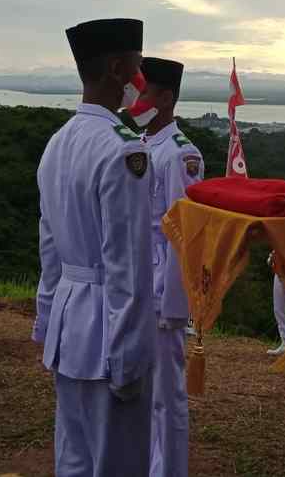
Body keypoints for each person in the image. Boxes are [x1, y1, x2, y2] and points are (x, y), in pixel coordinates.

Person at [33, 18, 156, 476]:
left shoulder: (58, 142)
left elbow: (49, 248)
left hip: (70, 328)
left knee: (74, 459)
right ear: (117, 68)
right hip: (107, 332)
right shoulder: (124, 151)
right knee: (118, 462)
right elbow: (128, 266)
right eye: (137, 67)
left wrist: (47, 321)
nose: (140, 79)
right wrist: (129, 357)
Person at [129, 56, 203, 477]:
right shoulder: (141, 144)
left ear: (166, 98)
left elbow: (183, 233)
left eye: (144, 93)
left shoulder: (180, 155)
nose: (135, 101)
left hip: (161, 287)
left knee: (167, 395)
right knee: (142, 390)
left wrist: (175, 306)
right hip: (138, 279)